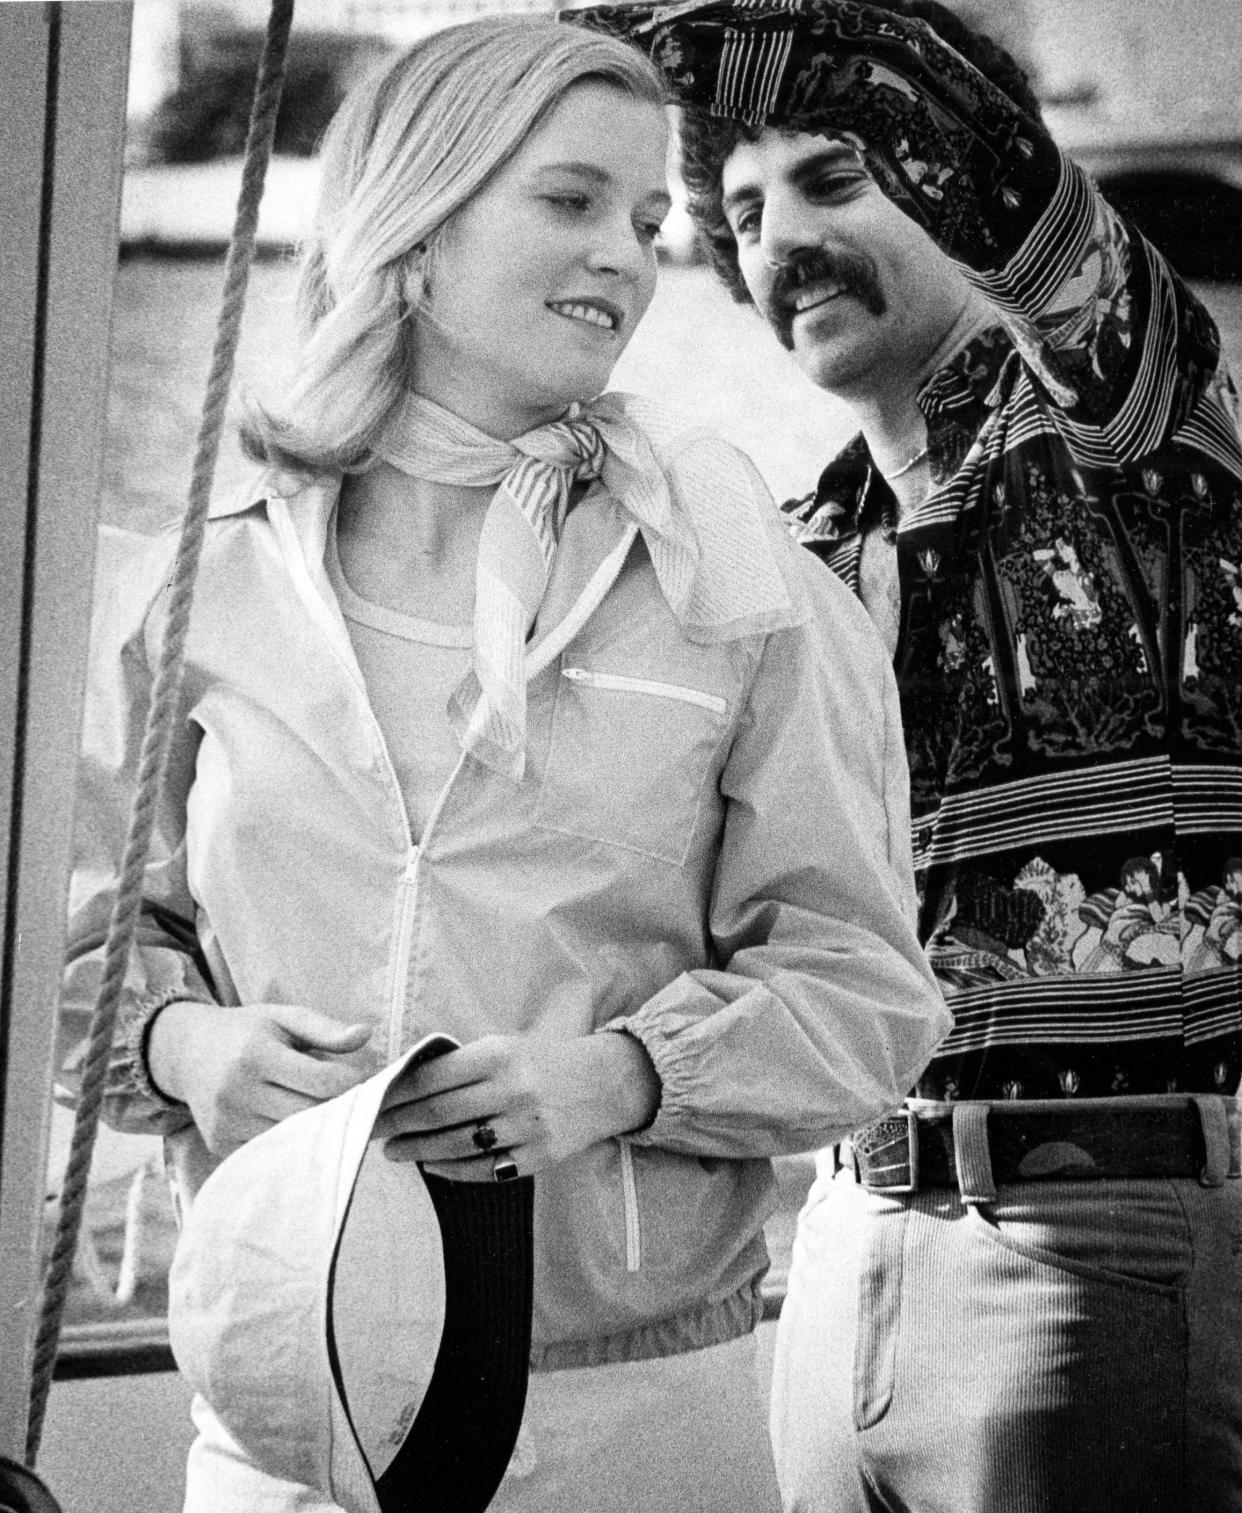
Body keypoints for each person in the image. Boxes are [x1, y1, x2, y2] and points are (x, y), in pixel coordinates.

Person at [59, 15, 951, 1513]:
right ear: (413, 223)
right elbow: (68, 945)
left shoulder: (743, 590)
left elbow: (867, 996)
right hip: (279, 1430)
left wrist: (619, 1076)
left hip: (632, 1422)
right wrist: (180, 1049)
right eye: (570, 200)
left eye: (647, 220)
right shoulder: (190, 594)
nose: (628, 254)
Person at [571, 1, 1242, 1509]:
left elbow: (968, 135)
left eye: (834, 180)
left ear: (951, 195)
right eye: (742, 212)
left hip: (1095, 1247)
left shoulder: (1135, 427)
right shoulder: (793, 551)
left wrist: (596, 58)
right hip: (838, 1248)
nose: (780, 240)